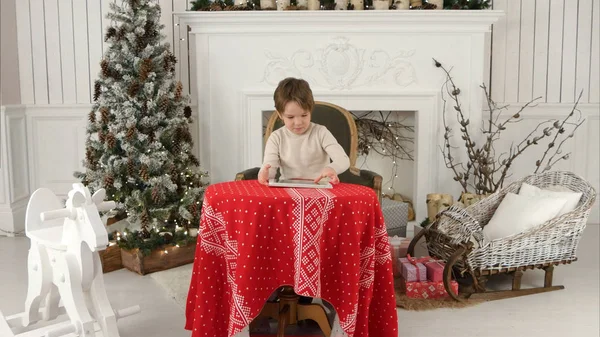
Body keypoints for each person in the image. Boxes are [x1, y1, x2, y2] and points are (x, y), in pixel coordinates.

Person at [258, 77, 350, 186]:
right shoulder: (276, 137)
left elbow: (343, 160)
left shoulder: (321, 132)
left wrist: (331, 168)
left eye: (304, 115)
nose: (298, 122)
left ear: (310, 110)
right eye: (290, 117)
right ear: (280, 114)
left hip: (319, 188)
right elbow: (270, 168)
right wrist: (264, 173)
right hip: (288, 189)